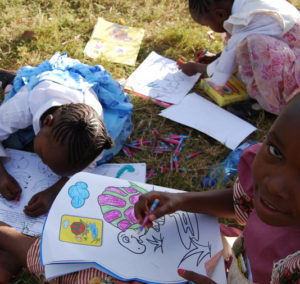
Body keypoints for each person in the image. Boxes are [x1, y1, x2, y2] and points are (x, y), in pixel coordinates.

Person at [0, 91, 300, 284]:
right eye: (275, 151)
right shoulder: (276, 199)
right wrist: (180, 201)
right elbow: (241, 204)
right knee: (95, 250)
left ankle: (12, 239)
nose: (274, 186)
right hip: (228, 261)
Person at [0, 52, 133, 217]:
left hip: (80, 94)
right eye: (41, 155)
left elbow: (89, 164)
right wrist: (1, 174)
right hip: (51, 81)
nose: (42, 165)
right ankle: (9, 82)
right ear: (47, 122)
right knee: (11, 138)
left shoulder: (93, 133)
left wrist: (54, 192)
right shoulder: (26, 103)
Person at [180, 0, 300, 115]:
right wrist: (217, 57)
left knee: (256, 45)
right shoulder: (252, 0)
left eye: (208, 24)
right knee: (243, 42)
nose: (210, 28)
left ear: (220, 14)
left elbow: (220, 72)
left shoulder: (244, 23)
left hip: (296, 75)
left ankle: (269, 103)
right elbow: (233, 48)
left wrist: (194, 68)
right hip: (293, 52)